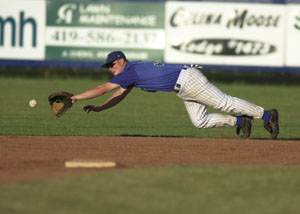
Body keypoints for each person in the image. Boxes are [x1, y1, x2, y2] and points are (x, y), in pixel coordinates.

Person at [71, 51, 279, 139]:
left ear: (122, 60)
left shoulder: (129, 71)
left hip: (188, 80)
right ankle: (241, 122)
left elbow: (101, 89)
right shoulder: (129, 75)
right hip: (184, 88)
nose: (110, 68)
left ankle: (268, 116)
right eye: (107, 66)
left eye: (112, 64)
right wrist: (99, 108)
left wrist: (75, 98)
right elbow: (118, 95)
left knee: (224, 102)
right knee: (200, 121)